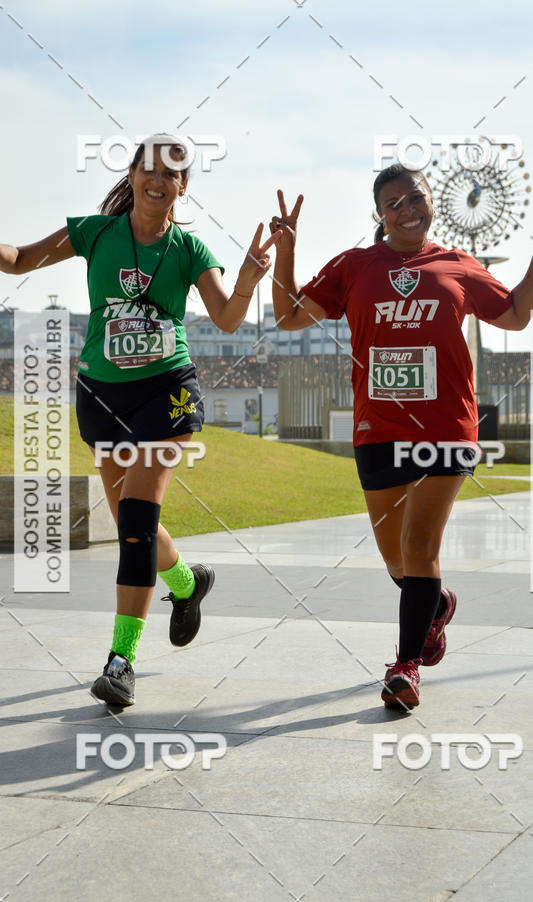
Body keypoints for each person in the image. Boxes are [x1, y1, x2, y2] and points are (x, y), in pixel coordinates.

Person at [270, 164, 533, 710]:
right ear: (379, 215)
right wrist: (286, 248)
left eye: (416, 198)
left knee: (419, 546)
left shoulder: (457, 265)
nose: (407, 208)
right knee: (396, 562)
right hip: (378, 429)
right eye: (393, 202)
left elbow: (518, 315)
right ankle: (435, 607)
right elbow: (288, 315)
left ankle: (403, 670)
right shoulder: (355, 267)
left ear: (431, 204)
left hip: (447, 428)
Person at [1, 133, 280, 706]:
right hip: (102, 393)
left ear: (184, 186)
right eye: (148, 168)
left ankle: (121, 660)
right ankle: (187, 582)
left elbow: (227, 319)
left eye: (172, 173)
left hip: (166, 391)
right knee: (137, 524)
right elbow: (18, 261)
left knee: (134, 521)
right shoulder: (93, 232)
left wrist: (251, 275)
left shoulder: (190, 250)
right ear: (131, 174)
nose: (158, 180)